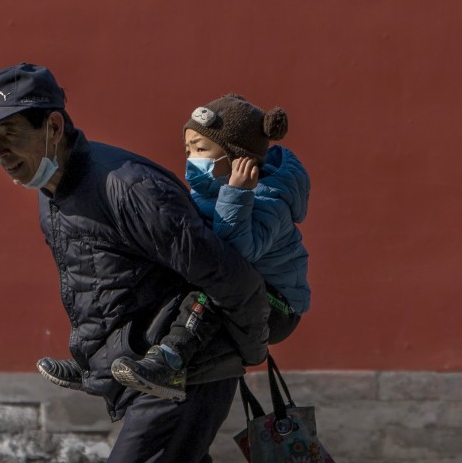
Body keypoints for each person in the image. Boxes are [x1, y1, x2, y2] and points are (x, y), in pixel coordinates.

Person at [0, 63, 269, 463]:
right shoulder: (50, 192)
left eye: (11, 134)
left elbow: (228, 276)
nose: (0, 152)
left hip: (182, 374)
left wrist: (251, 350)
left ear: (54, 128)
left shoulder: (128, 188)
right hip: (139, 376)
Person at [110, 94, 311, 401]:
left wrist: (237, 194)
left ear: (238, 158)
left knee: (214, 286)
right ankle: (105, 363)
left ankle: (170, 362)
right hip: (242, 285)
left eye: (202, 149)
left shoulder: (269, 201)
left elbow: (235, 255)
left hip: (278, 305)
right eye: (189, 149)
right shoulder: (209, 192)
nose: (193, 158)